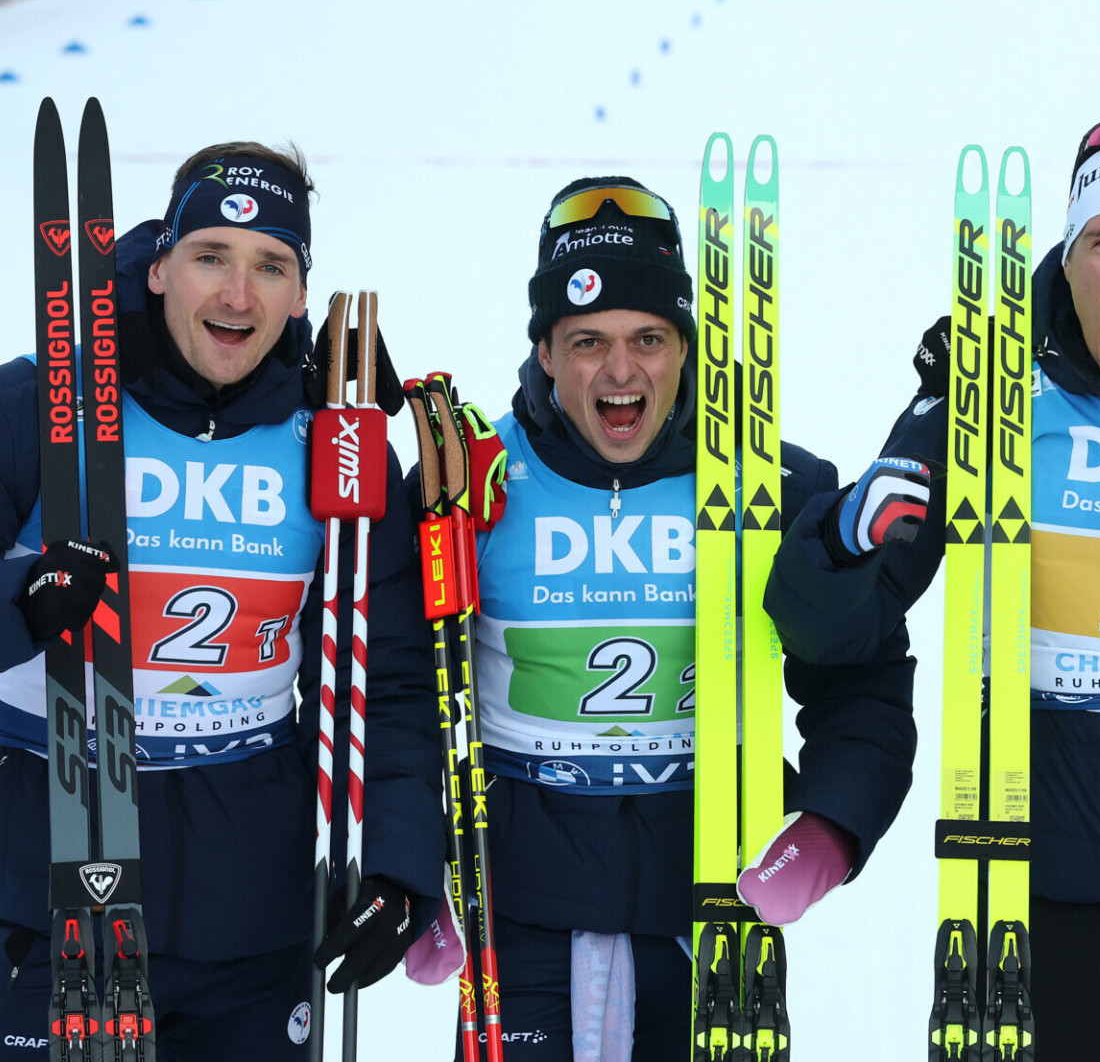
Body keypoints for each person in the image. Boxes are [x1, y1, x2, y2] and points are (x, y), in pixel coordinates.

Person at [765, 116, 1100, 1059]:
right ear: (1069, 254)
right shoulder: (995, 387)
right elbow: (835, 627)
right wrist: (840, 547)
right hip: (1024, 893)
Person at [437, 177, 916, 1060]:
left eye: (649, 339)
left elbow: (863, 679)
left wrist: (833, 823)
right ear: (545, 349)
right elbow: (401, 682)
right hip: (521, 923)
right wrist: (408, 866)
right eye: (588, 342)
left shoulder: (774, 486)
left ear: (685, 346)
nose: (621, 372)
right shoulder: (474, 481)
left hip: (712, 918)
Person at [0, 143, 445, 1059]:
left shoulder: (336, 441)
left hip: (253, 923)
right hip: (42, 902)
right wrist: (22, 604)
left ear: (300, 291)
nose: (238, 295)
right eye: (211, 256)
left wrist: (399, 869)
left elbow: (389, 679)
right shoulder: (36, 406)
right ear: (159, 267)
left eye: (270, 266)